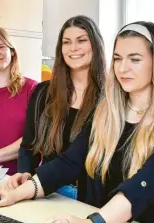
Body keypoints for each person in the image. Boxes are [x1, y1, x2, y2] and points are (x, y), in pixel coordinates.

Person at [0, 21, 154, 223]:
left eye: (135, 59)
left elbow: (147, 182)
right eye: (118, 58)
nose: (122, 68)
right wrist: (16, 193)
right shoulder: (105, 112)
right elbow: (69, 163)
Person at [10, 15, 106, 200]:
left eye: (81, 40)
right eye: (66, 42)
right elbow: (28, 145)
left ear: (95, 45)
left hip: (91, 198)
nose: (73, 48)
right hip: (45, 191)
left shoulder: (111, 97)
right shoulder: (43, 92)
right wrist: (25, 174)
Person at [0, 26, 38, 175]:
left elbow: (35, 138)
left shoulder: (33, 89)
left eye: (1, 47)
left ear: (12, 51)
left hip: (21, 179)